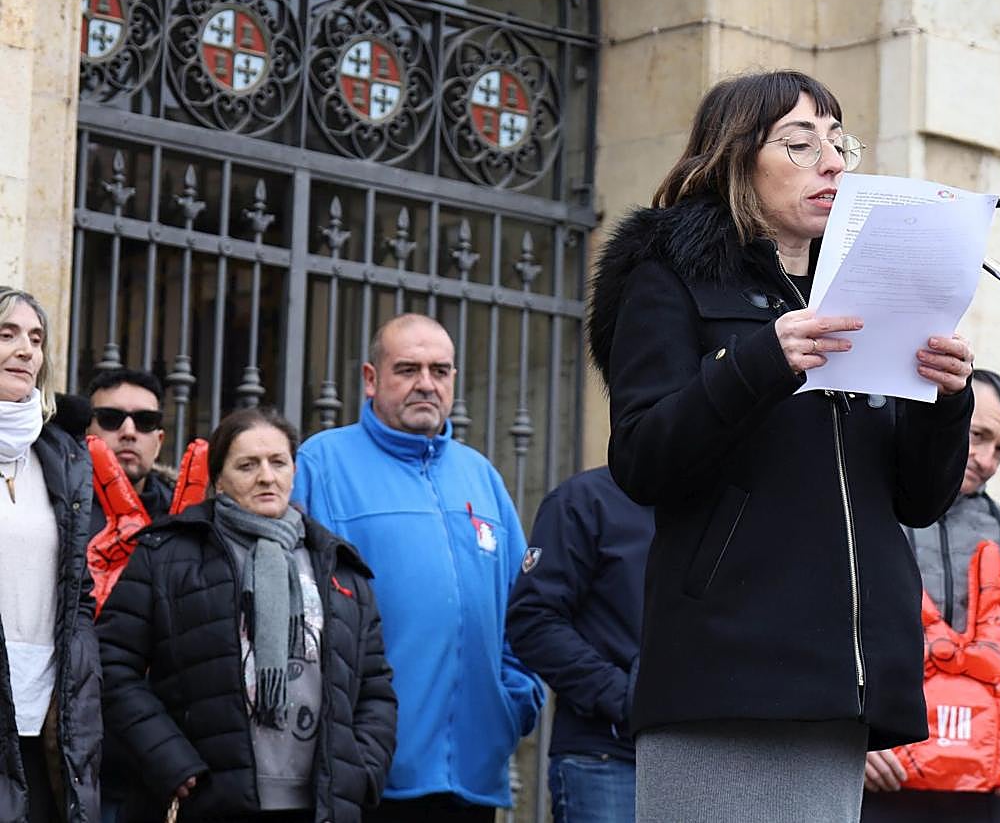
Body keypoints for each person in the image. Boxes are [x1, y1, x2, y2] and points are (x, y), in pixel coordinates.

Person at [586, 70, 975, 820]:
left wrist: (942, 399)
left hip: (841, 679)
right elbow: (640, 457)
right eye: (800, 144)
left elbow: (919, 501)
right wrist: (763, 359)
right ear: (735, 158)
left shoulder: (866, 296)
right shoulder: (669, 278)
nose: (831, 162)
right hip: (725, 676)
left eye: (839, 143)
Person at [292, 313, 543, 821]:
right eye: (407, 369)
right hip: (364, 773)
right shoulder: (321, 463)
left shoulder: (482, 476)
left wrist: (514, 702)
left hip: (471, 776)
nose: (426, 384)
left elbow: (527, 607)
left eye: (440, 370)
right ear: (370, 379)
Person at [97, 408, 397, 822]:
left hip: (318, 805)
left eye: (278, 462)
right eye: (247, 465)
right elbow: (111, 666)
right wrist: (170, 761)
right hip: (205, 799)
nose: (266, 477)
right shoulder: (167, 554)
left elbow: (375, 686)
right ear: (218, 478)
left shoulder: (337, 564)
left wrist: (361, 770)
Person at [860, 369, 1000, 822]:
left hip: (984, 781)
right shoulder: (874, 505)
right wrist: (852, 736)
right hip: (883, 769)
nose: (988, 460)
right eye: (978, 436)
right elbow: (837, 625)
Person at [0, 286, 102, 822]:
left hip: (47, 715)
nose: (26, 350)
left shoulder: (60, 455)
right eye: (7, 334)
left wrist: (79, 682)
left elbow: (76, 589)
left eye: (36, 339)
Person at [506, 466, 654, 823]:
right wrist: (624, 697)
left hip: (705, 760)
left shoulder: (718, 504)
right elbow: (533, 620)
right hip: (606, 758)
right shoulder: (584, 500)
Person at [86, 367, 171, 534]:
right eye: (110, 418)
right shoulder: (55, 508)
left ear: (159, 442)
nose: (129, 432)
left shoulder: (184, 516)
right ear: (85, 432)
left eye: (145, 421)